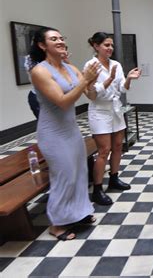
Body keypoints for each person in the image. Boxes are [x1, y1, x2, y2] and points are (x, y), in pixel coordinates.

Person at [29, 27, 100, 240]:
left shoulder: (69, 67)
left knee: (78, 173)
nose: (60, 41)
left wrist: (92, 82)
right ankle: (57, 223)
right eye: (54, 39)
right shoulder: (39, 71)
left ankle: (79, 213)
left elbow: (92, 96)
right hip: (52, 132)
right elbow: (62, 102)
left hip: (71, 130)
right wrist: (85, 80)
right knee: (64, 176)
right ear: (42, 45)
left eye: (61, 38)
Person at [85, 32, 142, 205]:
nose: (110, 48)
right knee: (104, 151)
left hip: (116, 109)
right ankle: (97, 189)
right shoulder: (91, 66)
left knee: (118, 146)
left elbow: (123, 89)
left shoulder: (116, 64)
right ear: (96, 46)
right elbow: (92, 94)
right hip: (99, 111)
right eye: (106, 45)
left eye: (111, 45)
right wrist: (108, 79)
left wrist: (129, 79)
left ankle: (114, 178)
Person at [25, 48, 71, 119]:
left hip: (59, 95)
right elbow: (38, 77)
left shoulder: (58, 60)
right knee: (50, 124)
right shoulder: (32, 58)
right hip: (38, 97)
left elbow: (71, 77)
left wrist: (64, 62)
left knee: (62, 123)